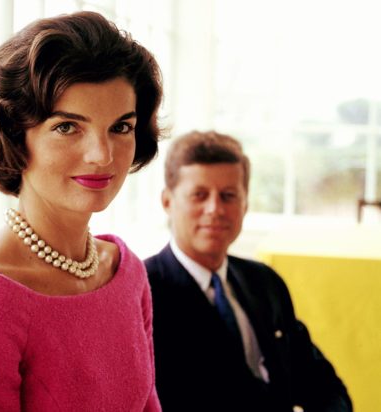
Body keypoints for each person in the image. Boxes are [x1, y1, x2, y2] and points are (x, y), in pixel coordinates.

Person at [0, 11, 164, 411]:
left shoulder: (126, 272)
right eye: (67, 127)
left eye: (121, 127)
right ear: (16, 136)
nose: (102, 155)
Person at [144, 130, 352, 412]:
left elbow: (324, 386)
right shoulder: (143, 292)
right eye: (199, 195)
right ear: (167, 202)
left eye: (228, 196)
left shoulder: (264, 281)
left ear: (245, 204)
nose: (214, 209)